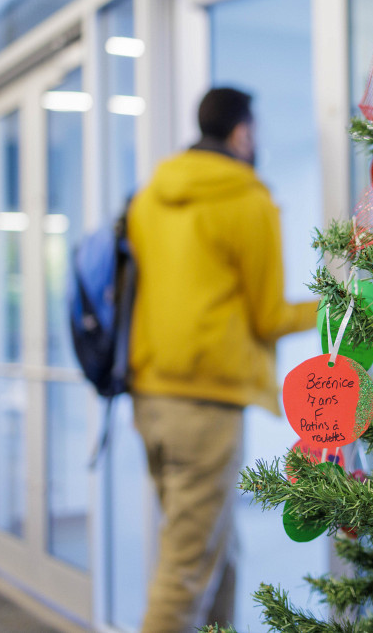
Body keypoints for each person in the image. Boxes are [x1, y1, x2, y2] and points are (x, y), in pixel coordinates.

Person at [126, 87, 318, 632]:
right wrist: (338, 303)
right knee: (186, 571)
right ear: (242, 133)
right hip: (206, 406)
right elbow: (269, 318)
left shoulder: (150, 196)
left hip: (151, 399)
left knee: (213, 551)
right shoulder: (247, 199)